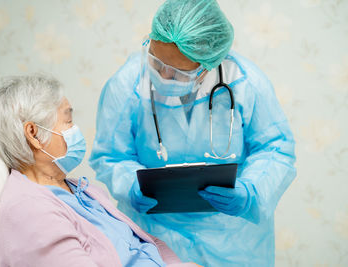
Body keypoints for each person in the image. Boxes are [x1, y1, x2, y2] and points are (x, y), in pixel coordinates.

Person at [89, 0, 296, 266]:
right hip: (154, 235)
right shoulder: (126, 84)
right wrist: (130, 184)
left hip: (232, 240)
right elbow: (110, 154)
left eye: (176, 72)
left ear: (206, 65)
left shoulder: (245, 82)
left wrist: (250, 192)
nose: (163, 75)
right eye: (156, 61)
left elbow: (276, 148)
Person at [0, 74, 198, 267]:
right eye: (68, 121)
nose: (75, 130)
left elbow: (144, 244)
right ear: (33, 133)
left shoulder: (80, 190)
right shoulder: (29, 210)